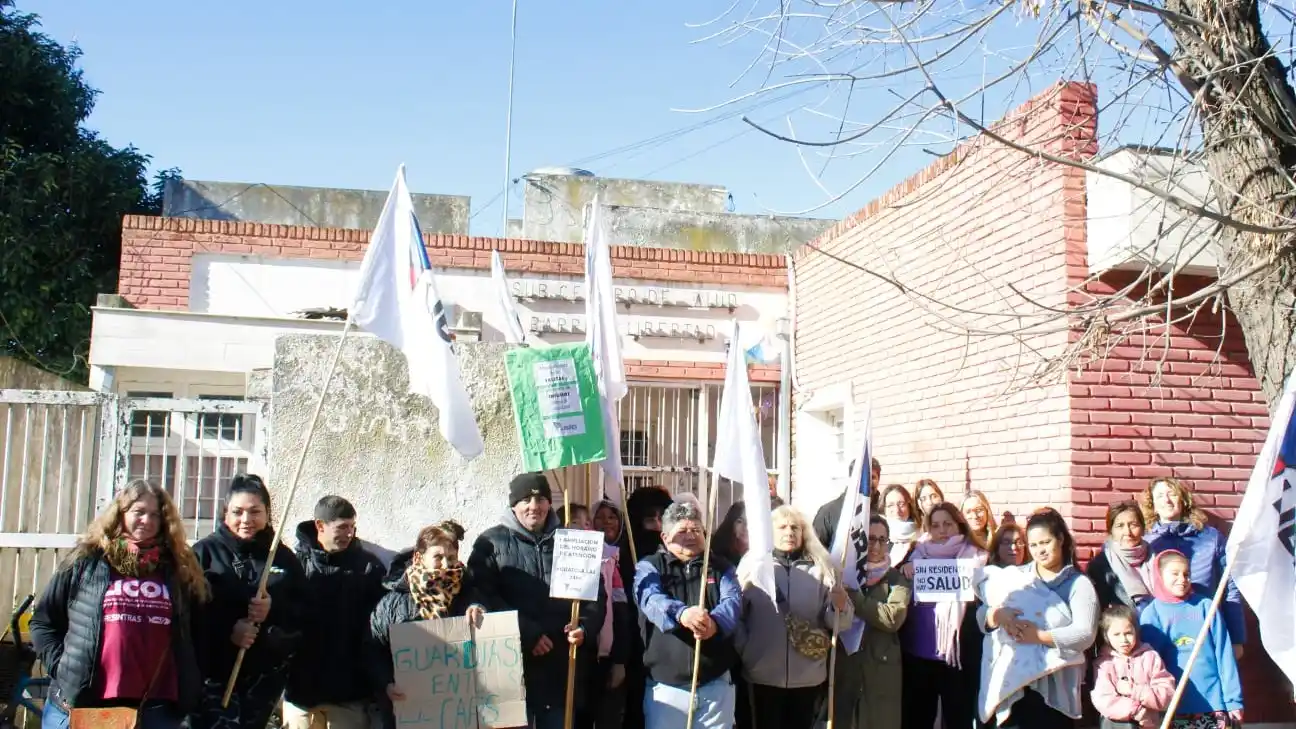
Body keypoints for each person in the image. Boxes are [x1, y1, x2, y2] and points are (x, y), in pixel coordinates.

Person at [30, 480, 209, 729]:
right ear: (121, 514)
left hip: (156, 710)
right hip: (88, 705)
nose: (147, 520)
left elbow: (199, 632)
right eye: (139, 512)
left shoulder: (179, 569)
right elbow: (43, 622)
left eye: (155, 515)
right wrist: (63, 669)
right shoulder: (87, 561)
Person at [466, 473, 604, 729]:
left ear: (549, 504)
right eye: (526, 499)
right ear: (514, 505)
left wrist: (583, 627)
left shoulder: (572, 540)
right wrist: (527, 633)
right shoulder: (490, 543)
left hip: (562, 666)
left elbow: (594, 595)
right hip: (512, 668)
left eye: (540, 498)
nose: (534, 506)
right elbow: (481, 593)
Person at [188, 474, 308, 729]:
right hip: (213, 677)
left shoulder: (283, 559)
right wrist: (228, 633)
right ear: (225, 513)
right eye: (237, 511)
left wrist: (272, 611)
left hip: (264, 679)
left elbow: (303, 614)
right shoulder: (202, 555)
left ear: (267, 513)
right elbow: (186, 618)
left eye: (255, 511)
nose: (246, 520)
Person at [980, 508, 1098, 728]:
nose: (1040, 551)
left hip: (1054, 689)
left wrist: (1039, 636)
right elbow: (981, 616)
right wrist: (997, 615)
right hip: (1013, 687)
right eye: (1033, 545)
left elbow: (1085, 634)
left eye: (1045, 542)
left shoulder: (1078, 584)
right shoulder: (1017, 576)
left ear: (1060, 539)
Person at [737, 506, 851, 729]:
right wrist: (748, 649)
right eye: (782, 527)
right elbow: (736, 615)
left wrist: (841, 606)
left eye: (794, 527)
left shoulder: (822, 569)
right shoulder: (753, 567)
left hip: (808, 674)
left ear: (803, 532)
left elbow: (840, 624)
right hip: (762, 674)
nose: (789, 532)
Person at [634, 500, 742, 729]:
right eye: (682, 531)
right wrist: (681, 614)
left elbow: (732, 601)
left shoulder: (722, 567)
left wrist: (715, 623)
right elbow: (651, 598)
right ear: (665, 537)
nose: (691, 536)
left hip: (715, 685)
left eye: (696, 530)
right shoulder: (650, 566)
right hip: (666, 688)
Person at [368, 521, 486, 729]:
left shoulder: (470, 596)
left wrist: (481, 612)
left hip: (461, 715)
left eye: (451, 557)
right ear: (418, 558)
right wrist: (386, 684)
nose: (446, 564)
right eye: (438, 557)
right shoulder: (392, 603)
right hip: (411, 714)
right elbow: (372, 649)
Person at [283, 496, 386, 729]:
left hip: (349, 694)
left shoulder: (369, 568)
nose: (349, 534)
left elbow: (378, 628)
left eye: (352, 527)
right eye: (342, 527)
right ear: (320, 525)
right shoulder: (295, 565)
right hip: (301, 692)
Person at [899, 502, 987, 729]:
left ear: (959, 524)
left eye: (947, 523)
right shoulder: (915, 554)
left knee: (958, 720)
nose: (942, 530)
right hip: (918, 654)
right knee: (917, 720)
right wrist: (906, 569)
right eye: (936, 525)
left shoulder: (977, 558)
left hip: (957, 657)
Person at [1140, 477, 1245, 658]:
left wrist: (1236, 637)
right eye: (1159, 496)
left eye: (1172, 494)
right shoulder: (1146, 542)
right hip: (1161, 631)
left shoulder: (1210, 538)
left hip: (1204, 629)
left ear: (1183, 500)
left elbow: (1230, 588)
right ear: (1153, 505)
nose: (1167, 500)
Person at [1138, 551, 1243, 728]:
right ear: (1159, 576)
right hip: (1174, 706)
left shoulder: (1206, 607)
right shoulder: (1152, 614)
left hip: (1213, 702)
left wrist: (1233, 700)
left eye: (1187, 574)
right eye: (1175, 574)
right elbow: (1149, 665)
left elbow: (1224, 655)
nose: (1182, 579)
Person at [621, 485, 677, 729]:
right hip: (635, 637)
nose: (655, 524)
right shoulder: (626, 551)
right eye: (648, 519)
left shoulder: (676, 550)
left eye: (660, 518)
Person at [847, 515, 910, 729]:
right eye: (870, 539)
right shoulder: (847, 575)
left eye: (882, 540)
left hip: (882, 669)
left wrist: (855, 598)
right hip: (849, 666)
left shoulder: (896, 579)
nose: (876, 546)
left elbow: (893, 618)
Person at [582, 500, 632, 729]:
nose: (606, 522)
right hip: (583, 656)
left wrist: (620, 660)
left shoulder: (629, 554)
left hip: (611, 654)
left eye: (611, 516)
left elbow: (623, 616)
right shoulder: (579, 557)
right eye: (599, 517)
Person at [1091, 605, 1175, 729]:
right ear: (1106, 636)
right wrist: (1138, 711)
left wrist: (1134, 690)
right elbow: (1103, 699)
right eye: (1116, 634)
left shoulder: (1150, 657)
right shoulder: (1104, 663)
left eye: (1128, 633)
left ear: (1136, 631)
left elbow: (1166, 695)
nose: (1123, 640)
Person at [1086, 501, 1154, 612]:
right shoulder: (1100, 566)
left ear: (1142, 528)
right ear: (1111, 531)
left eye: (1133, 525)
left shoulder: (1157, 559)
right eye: (1120, 526)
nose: (1127, 532)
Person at [811, 457, 882, 549]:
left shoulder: (884, 510)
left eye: (872, 477)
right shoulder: (828, 512)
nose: (867, 482)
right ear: (851, 479)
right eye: (862, 477)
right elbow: (816, 550)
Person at [878, 484, 920, 566]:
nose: (897, 510)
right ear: (884, 509)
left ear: (909, 506)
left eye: (901, 504)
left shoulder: (922, 537)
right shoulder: (875, 537)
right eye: (890, 505)